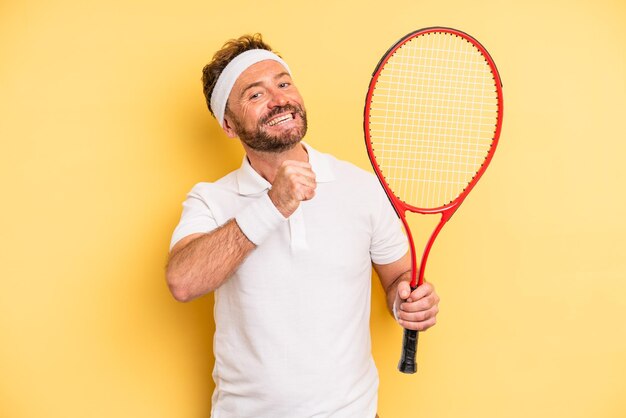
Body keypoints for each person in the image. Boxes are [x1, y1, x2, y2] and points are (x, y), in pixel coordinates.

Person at [166, 34, 440, 418]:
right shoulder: (210, 199)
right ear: (228, 125)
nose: (279, 99)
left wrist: (407, 304)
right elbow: (183, 281)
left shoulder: (361, 187)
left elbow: (399, 278)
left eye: (283, 83)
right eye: (256, 94)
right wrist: (273, 204)